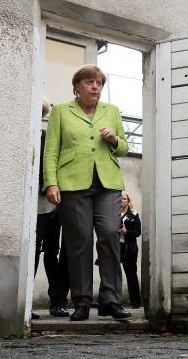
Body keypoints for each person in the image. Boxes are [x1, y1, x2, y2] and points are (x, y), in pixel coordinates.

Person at [43, 64, 131, 321]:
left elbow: (124, 147)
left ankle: (110, 300)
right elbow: (51, 151)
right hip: (72, 184)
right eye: (90, 82)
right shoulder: (60, 111)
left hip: (108, 183)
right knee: (79, 243)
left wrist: (114, 139)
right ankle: (82, 302)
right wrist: (51, 182)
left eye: (100, 83)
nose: (95, 87)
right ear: (77, 86)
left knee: (109, 235)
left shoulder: (112, 111)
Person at [33, 99, 69, 319]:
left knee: (53, 254)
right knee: (34, 253)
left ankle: (57, 302)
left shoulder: (49, 136)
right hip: (33, 209)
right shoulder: (27, 134)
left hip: (52, 205)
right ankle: (26, 303)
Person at [119, 191, 142, 308]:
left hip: (129, 249)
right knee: (112, 274)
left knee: (131, 275)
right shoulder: (113, 214)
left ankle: (136, 303)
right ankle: (111, 302)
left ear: (128, 201)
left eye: (123, 198)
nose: (121, 200)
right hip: (116, 248)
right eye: (120, 198)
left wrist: (126, 232)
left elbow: (138, 232)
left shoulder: (133, 214)